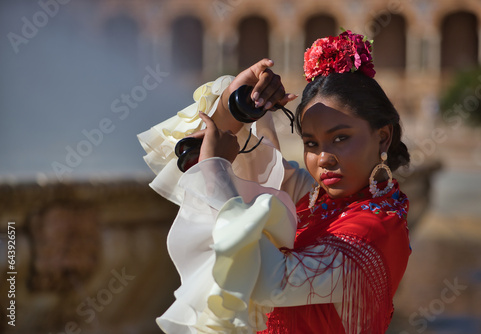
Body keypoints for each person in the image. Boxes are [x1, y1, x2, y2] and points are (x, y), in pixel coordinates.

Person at [138, 30, 411, 334]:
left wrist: (216, 171)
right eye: (311, 143)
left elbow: (272, 283)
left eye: (340, 138)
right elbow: (228, 165)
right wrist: (237, 104)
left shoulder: (377, 228)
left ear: (382, 136)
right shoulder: (313, 196)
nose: (323, 158)